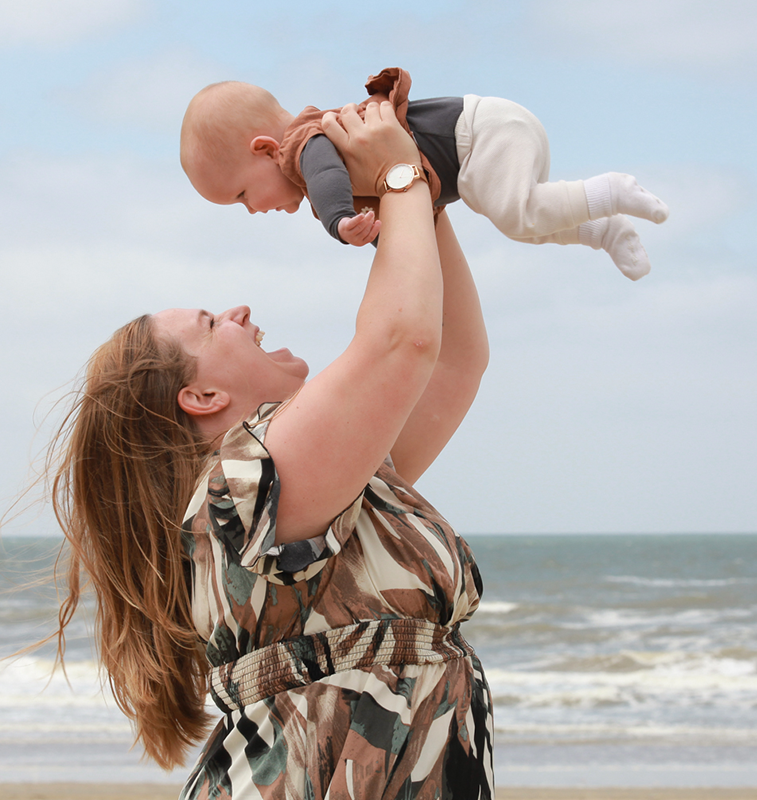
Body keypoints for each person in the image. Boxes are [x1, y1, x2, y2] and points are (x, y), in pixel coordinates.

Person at [48, 102, 492, 799]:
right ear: (199, 398)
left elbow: (449, 363)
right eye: (212, 323)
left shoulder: (313, 482)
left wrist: (414, 193)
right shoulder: (246, 488)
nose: (241, 313)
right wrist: (401, 172)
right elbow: (401, 345)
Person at [181, 67, 669, 280]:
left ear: (266, 150)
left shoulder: (305, 143)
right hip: (485, 138)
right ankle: (602, 230)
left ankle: (611, 191)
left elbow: (328, 178)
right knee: (526, 225)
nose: (253, 210)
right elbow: (399, 234)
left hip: (478, 135)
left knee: (516, 213)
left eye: (243, 194)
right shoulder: (314, 152)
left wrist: (338, 222)